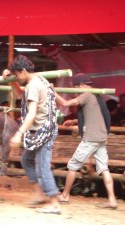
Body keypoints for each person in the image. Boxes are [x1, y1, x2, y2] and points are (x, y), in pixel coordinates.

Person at [2, 55, 61, 214]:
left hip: (42, 131)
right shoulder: (37, 80)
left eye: (17, 75)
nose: (17, 77)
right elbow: (21, 96)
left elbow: (32, 113)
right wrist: (12, 81)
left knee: (43, 167)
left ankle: (54, 203)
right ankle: (40, 194)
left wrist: (18, 134)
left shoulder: (34, 85)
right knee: (27, 159)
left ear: (23, 71)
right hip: (43, 129)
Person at [54, 73, 117, 209]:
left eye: (75, 88)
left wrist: (52, 91)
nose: (75, 91)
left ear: (80, 85)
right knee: (104, 169)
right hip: (101, 138)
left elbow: (64, 103)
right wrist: (75, 120)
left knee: (72, 166)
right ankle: (112, 200)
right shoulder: (95, 95)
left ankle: (64, 195)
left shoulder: (86, 95)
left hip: (91, 138)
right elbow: (94, 116)